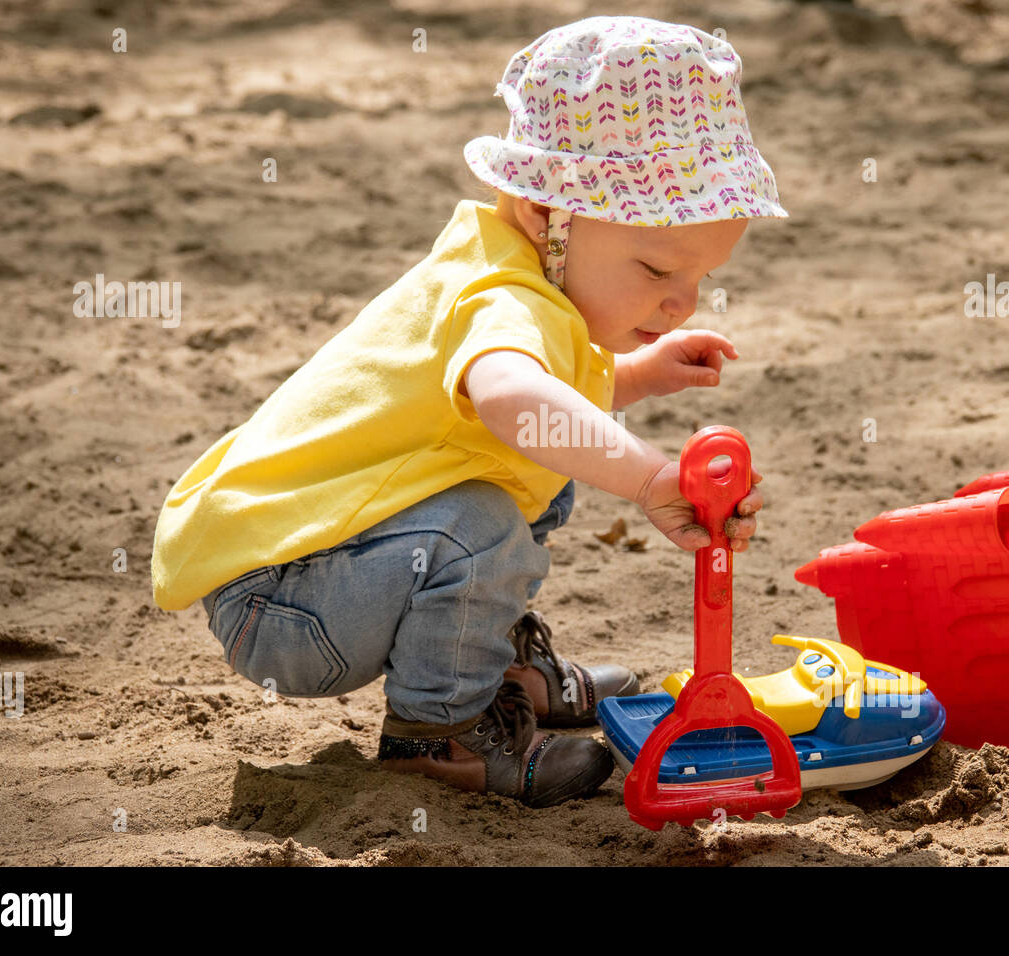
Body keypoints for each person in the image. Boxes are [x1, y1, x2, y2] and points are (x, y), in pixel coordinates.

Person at [151, 15, 789, 808]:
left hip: (321, 566)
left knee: (542, 470)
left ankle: (495, 670)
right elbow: (515, 399)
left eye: (701, 276)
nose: (679, 298)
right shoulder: (499, 294)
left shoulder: (519, 271)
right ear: (541, 215)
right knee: (487, 514)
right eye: (657, 266)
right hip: (285, 602)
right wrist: (653, 478)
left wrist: (633, 376)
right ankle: (436, 737)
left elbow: (533, 397)